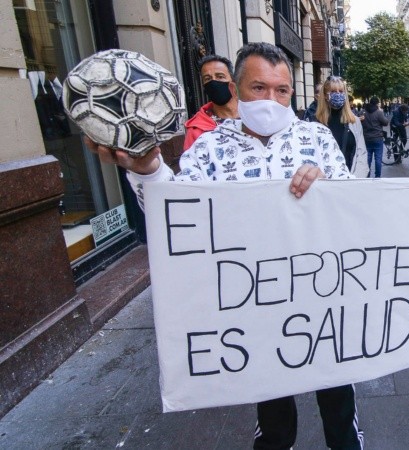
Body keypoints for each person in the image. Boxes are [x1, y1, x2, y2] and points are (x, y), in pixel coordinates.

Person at [85, 42, 363, 450]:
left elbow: (357, 210)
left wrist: (330, 190)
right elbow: (176, 213)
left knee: (339, 406)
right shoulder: (210, 148)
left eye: (282, 90)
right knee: (273, 414)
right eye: (258, 88)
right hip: (254, 307)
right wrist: (148, 170)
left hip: (321, 300)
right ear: (236, 88)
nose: (271, 99)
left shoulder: (318, 138)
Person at [315, 76, 368, 177]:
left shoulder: (354, 122)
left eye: (341, 91)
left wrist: (356, 179)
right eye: (333, 91)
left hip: (350, 179)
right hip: (325, 182)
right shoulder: (316, 122)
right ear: (325, 95)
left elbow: (361, 153)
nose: (338, 94)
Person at [183, 55, 239, 150]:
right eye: (207, 78)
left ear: (233, 82)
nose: (214, 82)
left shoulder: (252, 115)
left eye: (220, 76)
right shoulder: (196, 129)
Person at [362, 96, 389, 178]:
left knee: (368, 158)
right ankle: (377, 176)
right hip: (377, 138)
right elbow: (386, 123)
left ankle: (367, 175)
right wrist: (382, 112)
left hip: (366, 138)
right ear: (377, 103)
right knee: (378, 158)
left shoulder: (363, 112)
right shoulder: (379, 112)